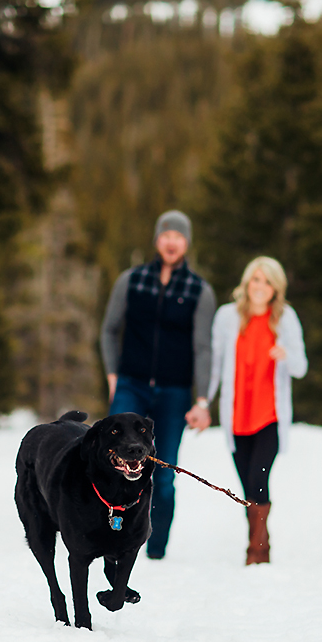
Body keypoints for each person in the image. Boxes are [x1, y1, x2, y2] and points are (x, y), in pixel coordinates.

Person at [100, 209, 217, 560]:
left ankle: (156, 550)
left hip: (173, 392)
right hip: (131, 385)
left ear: (186, 243)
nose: (171, 241)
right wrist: (112, 377)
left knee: (163, 473)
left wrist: (201, 400)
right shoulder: (131, 281)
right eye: (166, 234)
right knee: (111, 461)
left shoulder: (199, 290)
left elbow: (202, 348)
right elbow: (108, 329)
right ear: (157, 239)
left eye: (178, 236)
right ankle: (111, 538)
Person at [195, 256, 307, 564]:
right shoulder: (228, 317)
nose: (260, 287)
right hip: (238, 415)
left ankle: (256, 550)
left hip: (269, 415)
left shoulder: (285, 318)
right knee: (247, 484)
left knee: (259, 479)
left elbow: (301, 367)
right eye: (256, 280)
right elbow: (215, 365)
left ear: (276, 288)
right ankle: (261, 538)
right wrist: (203, 402)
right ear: (247, 283)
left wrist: (285, 355)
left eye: (267, 282)